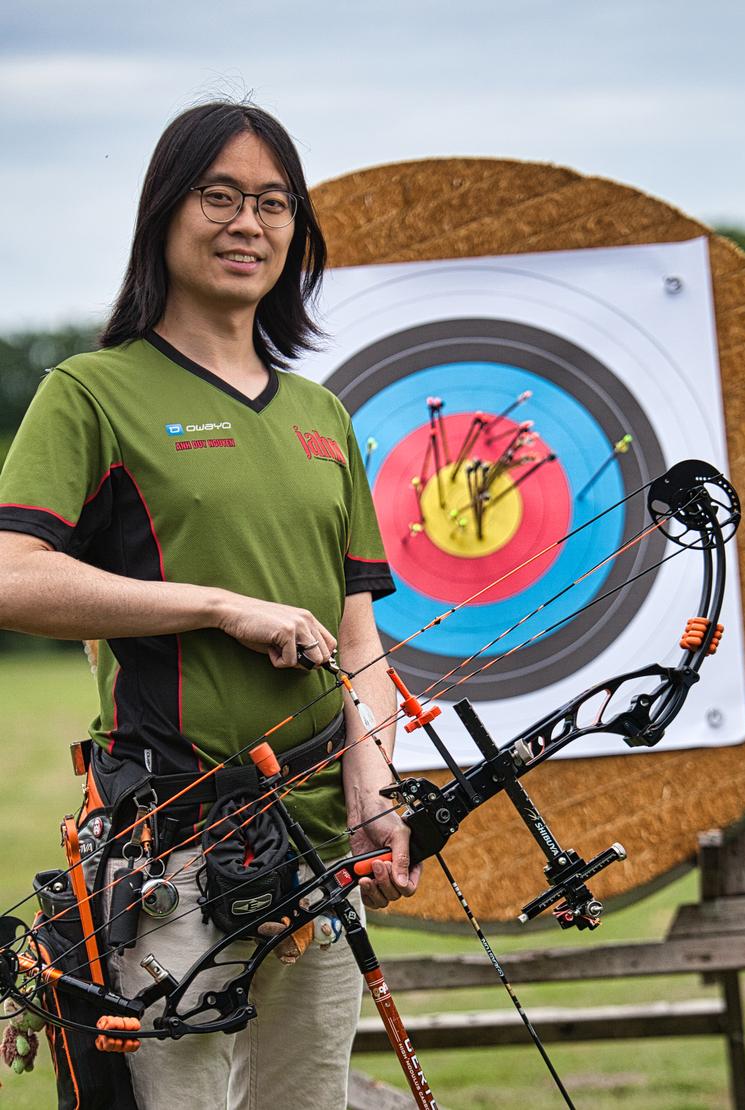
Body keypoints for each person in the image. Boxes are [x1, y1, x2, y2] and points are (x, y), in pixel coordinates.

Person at [0, 100, 421, 1110]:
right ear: (163, 216)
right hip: (172, 850)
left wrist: (376, 784)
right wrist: (219, 605)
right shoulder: (93, 391)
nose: (248, 224)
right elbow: (12, 572)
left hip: (318, 855)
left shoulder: (322, 416)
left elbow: (358, 634)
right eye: (219, 195)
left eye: (273, 204)